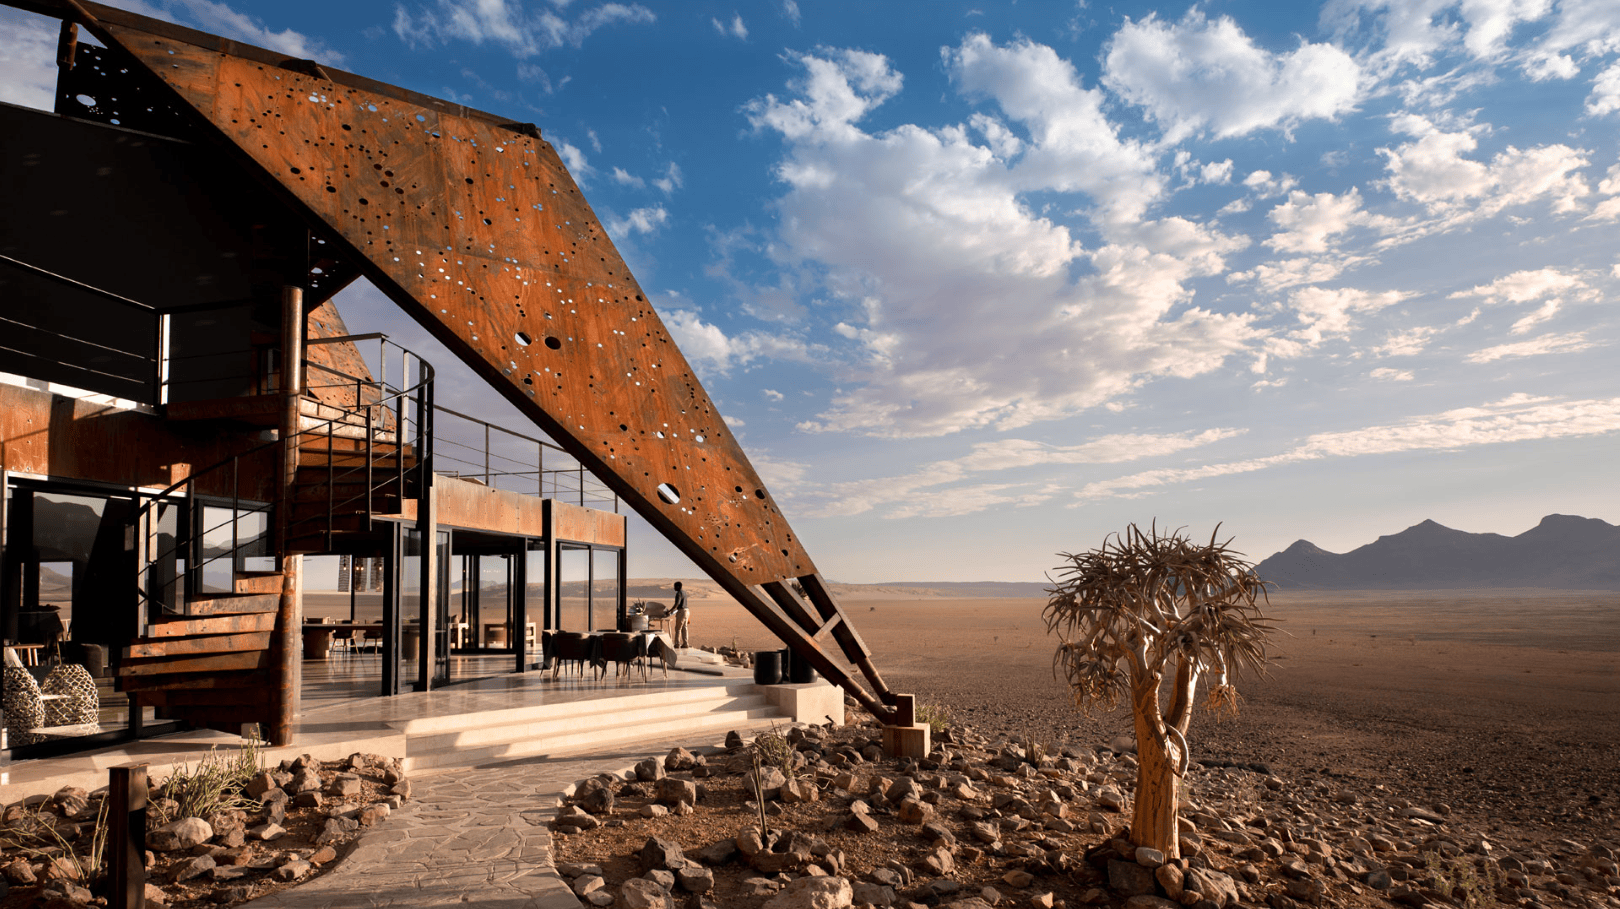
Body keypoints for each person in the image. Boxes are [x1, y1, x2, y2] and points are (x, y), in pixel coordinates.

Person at [671, 581, 689, 649]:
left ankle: (677, 644)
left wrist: (670, 610)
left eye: (675, 586)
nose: (674, 588)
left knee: (678, 628)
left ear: (678, 587)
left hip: (681, 611)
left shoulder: (679, 593)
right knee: (684, 628)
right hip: (686, 611)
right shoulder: (684, 592)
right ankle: (685, 643)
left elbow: (677, 604)